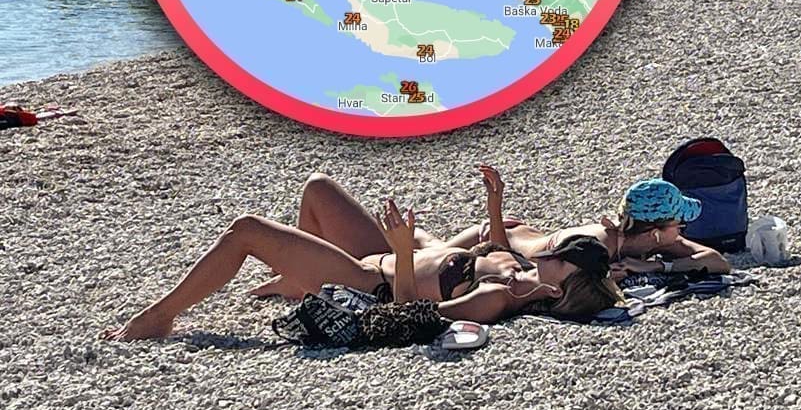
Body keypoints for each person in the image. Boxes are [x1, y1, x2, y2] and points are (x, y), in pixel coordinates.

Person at [103, 173, 622, 342]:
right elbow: (494, 242)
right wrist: (494, 205)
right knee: (318, 188)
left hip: (364, 281)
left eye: (562, 257)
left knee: (246, 231)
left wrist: (403, 251)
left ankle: (159, 317)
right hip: (380, 254)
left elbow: (406, 317)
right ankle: (297, 280)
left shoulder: (494, 300)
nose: (553, 249)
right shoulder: (520, 270)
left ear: (557, 288)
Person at [286, 171, 732, 284]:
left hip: (479, 246)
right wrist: (495, 209)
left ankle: (297, 275)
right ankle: (295, 279)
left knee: (405, 246)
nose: (683, 233)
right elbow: (513, 260)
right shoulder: (594, 243)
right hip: (482, 245)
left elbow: (716, 262)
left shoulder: (632, 241)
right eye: (679, 225)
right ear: (655, 232)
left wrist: (658, 266)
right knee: (373, 252)